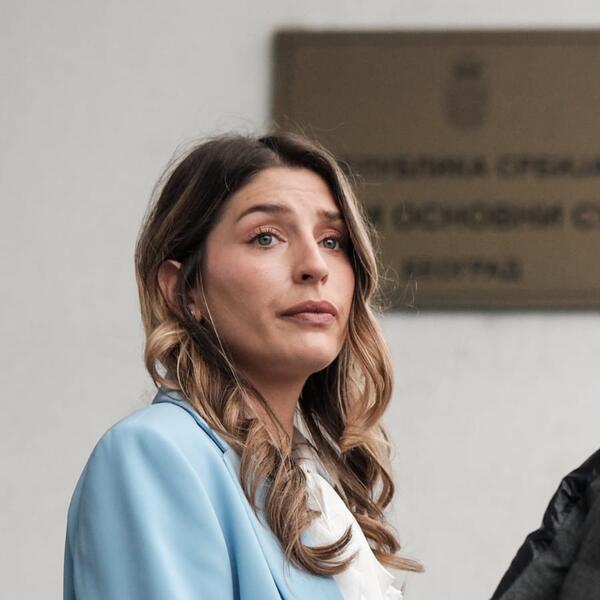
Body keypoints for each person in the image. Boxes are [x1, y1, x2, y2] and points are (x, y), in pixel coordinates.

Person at [63, 131, 422, 599]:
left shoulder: (312, 487)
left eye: (333, 241)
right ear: (184, 290)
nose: (315, 266)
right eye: (266, 237)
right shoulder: (154, 454)